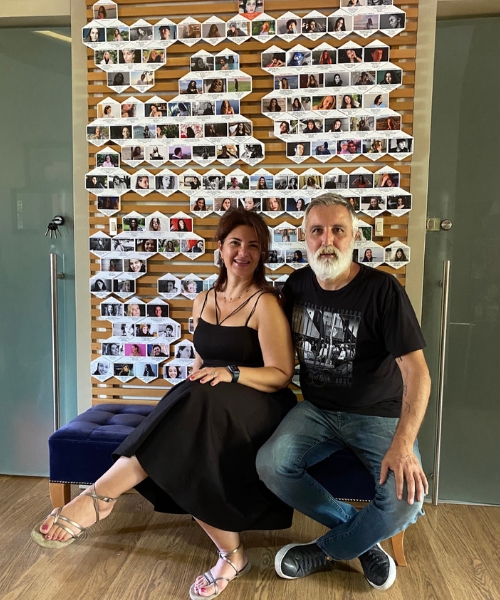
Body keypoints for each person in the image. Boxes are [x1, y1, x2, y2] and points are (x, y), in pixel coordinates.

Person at [31, 210, 298, 600]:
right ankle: (231, 555)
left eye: (253, 246)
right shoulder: (202, 300)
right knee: (188, 426)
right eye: (235, 243)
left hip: (259, 404)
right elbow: (199, 365)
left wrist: (231, 373)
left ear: (262, 254)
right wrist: (201, 381)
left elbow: (281, 374)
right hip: (212, 403)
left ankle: (99, 497)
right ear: (220, 247)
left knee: (195, 411)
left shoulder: (265, 304)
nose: (243, 253)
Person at [256, 194, 430, 591]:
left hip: (378, 414)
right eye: (317, 231)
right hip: (317, 410)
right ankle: (360, 538)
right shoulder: (296, 286)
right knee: (270, 465)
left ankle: (326, 550)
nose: (327, 240)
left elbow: (418, 373)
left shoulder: (383, 290)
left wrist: (404, 445)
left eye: (338, 230)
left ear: (354, 236)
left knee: (407, 500)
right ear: (304, 237)